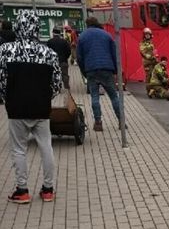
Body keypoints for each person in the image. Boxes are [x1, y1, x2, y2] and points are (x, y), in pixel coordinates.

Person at [0, 10, 62, 203]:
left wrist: (7, 98)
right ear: (37, 28)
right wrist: (45, 97)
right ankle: (48, 189)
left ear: (18, 26)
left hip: (16, 108)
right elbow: (57, 84)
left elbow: (1, 81)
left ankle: (22, 190)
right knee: (46, 146)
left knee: (19, 149)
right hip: (41, 108)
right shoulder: (48, 53)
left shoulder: (5, 50)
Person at [76, 16, 122, 131]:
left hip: (91, 70)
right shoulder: (106, 35)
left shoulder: (82, 36)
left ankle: (98, 123)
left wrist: (84, 72)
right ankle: (121, 121)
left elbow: (79, 57)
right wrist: (115, 70)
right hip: (107, 69)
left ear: (87, 25)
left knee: (95, 97)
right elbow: (114, 54)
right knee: (113, 96)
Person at [139, 28, 157, 93]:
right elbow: (142, 51)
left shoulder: (151, 42)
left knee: (154, 75)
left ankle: (154, 89)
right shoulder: (142, 43)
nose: (147, 36)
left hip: (153, 61)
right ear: (144, 35)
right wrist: (148, 56)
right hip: (147, 62)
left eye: (148, 34)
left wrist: (155, 55)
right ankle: (149, 90)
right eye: (146, 35)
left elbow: (153, 51)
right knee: (149, 76)